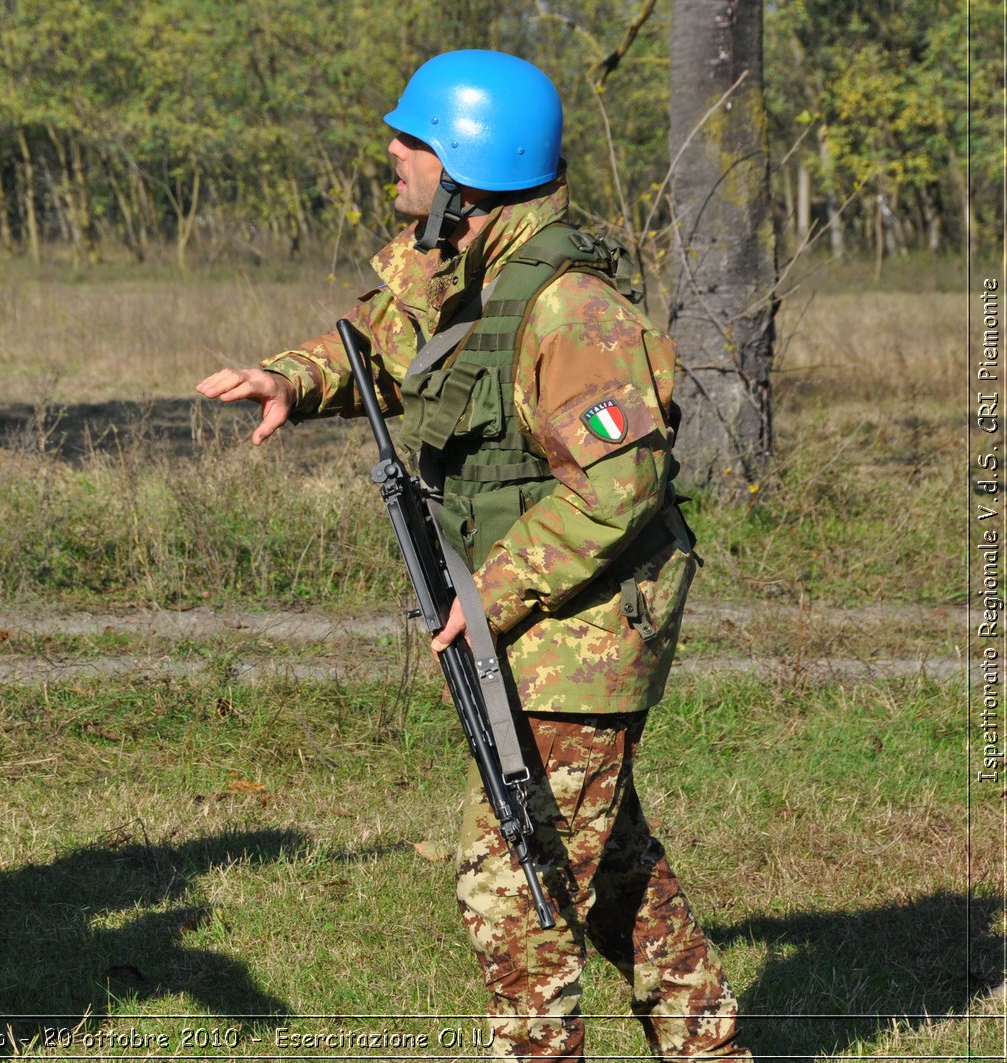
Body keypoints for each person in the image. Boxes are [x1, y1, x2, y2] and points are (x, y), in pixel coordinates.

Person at [197, 50, 752, 1061]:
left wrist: (490, 589)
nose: (393, 158)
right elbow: (381, 341)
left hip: (576, 626)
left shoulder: (572, 311)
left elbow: (619, 487)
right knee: (607, 863)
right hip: (523, 609)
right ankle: (706, 1043)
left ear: (470, 162)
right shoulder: (462, 258)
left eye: (412, 141)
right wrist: (287, 377)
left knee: (516, 890)